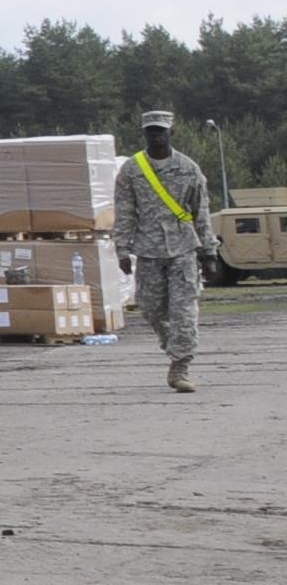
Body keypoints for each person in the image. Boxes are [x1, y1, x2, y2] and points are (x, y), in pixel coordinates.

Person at [112, 109, 217, 394]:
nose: (156, 135)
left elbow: (201, 212)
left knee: (184, 311)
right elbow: (124, 213)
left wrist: (209, 253)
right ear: (144, 133)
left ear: (172, 132)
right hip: (148, 251)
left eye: (161, 130)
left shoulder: (188, 168)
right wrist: (122, 250)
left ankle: (180, 365)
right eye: (151, 130)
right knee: (153, 309)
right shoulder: (132, 170)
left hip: (183, 249)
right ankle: (174, 348)